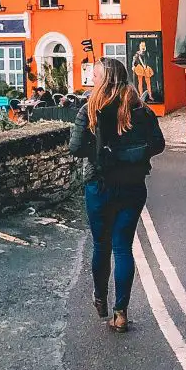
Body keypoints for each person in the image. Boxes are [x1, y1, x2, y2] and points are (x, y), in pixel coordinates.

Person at [69, 58, 165, 333]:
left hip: (99, 185)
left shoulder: (90, 110)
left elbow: (75, 149)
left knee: (102, 246)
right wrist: (133, 154)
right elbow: (158, 144)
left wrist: (99, 152)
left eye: (95, 76)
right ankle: (120, 313)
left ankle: (100, 298)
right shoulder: (141, 110)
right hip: (133, 186)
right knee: (123, 247)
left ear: (105, 79)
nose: (92, 80)